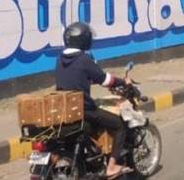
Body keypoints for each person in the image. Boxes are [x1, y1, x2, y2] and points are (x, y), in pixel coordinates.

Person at [55, 22, 133, 179]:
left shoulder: (60, 58)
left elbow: (75, 77)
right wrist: (124, 82)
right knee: (118, 125)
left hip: (66, 109)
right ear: (85, 40)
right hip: (85, 110)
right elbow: (105, 80)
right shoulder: (83, 59)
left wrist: (88, 80)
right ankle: (111, 167)